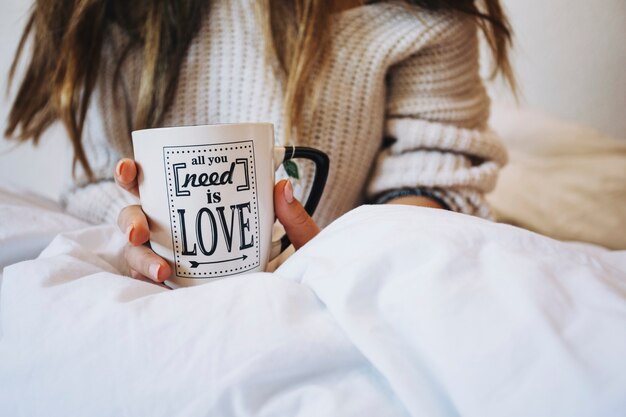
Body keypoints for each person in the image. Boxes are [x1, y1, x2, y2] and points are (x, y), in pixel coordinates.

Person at [5, 0, 514, 283]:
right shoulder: (110, 13)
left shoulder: (419, 14)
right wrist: (132, 230)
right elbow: (102, 174)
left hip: (334, 278)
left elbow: (436, 173)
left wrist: (360, 256)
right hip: (165, 286)